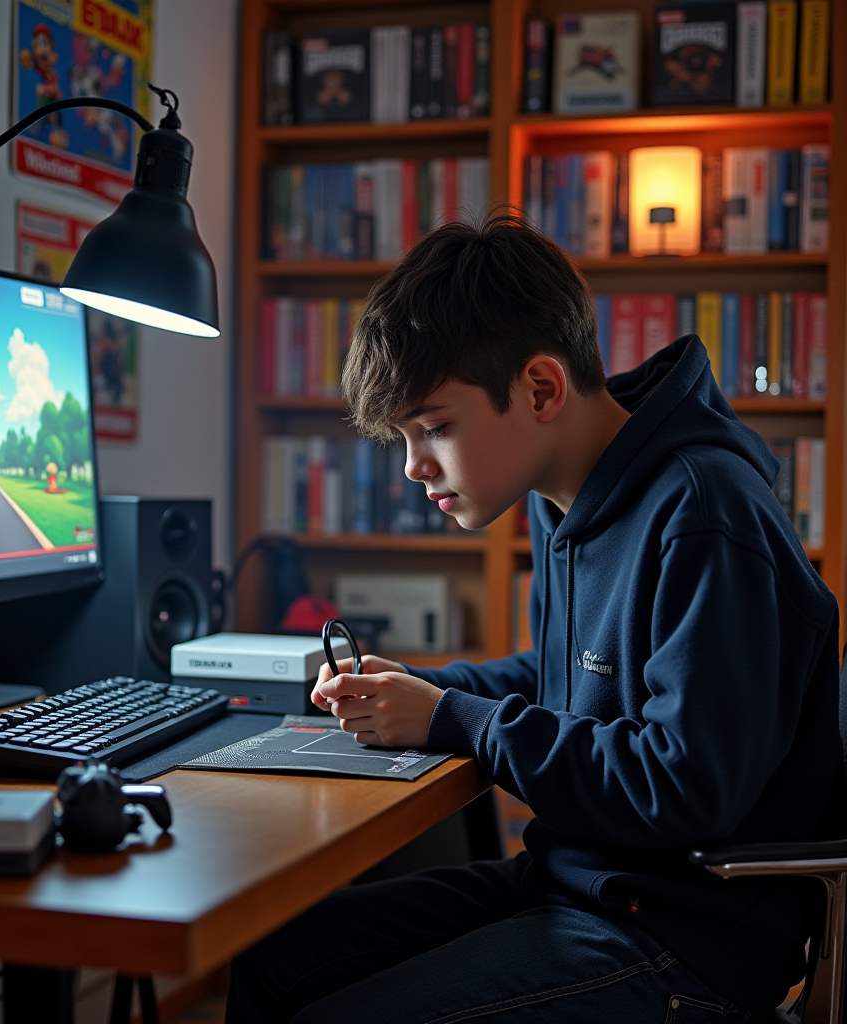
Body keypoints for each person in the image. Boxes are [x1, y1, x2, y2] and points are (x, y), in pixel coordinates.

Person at [225, 214, 844, 1023]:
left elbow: (683, 786)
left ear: (541, 389)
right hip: (580, 884)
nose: (413, 466)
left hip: (682, 935)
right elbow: (567, 678)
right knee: (271, 959)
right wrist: (420, 691)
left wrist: (455, 718)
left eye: (435, 427)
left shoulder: (703, 512)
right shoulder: (565, 501)